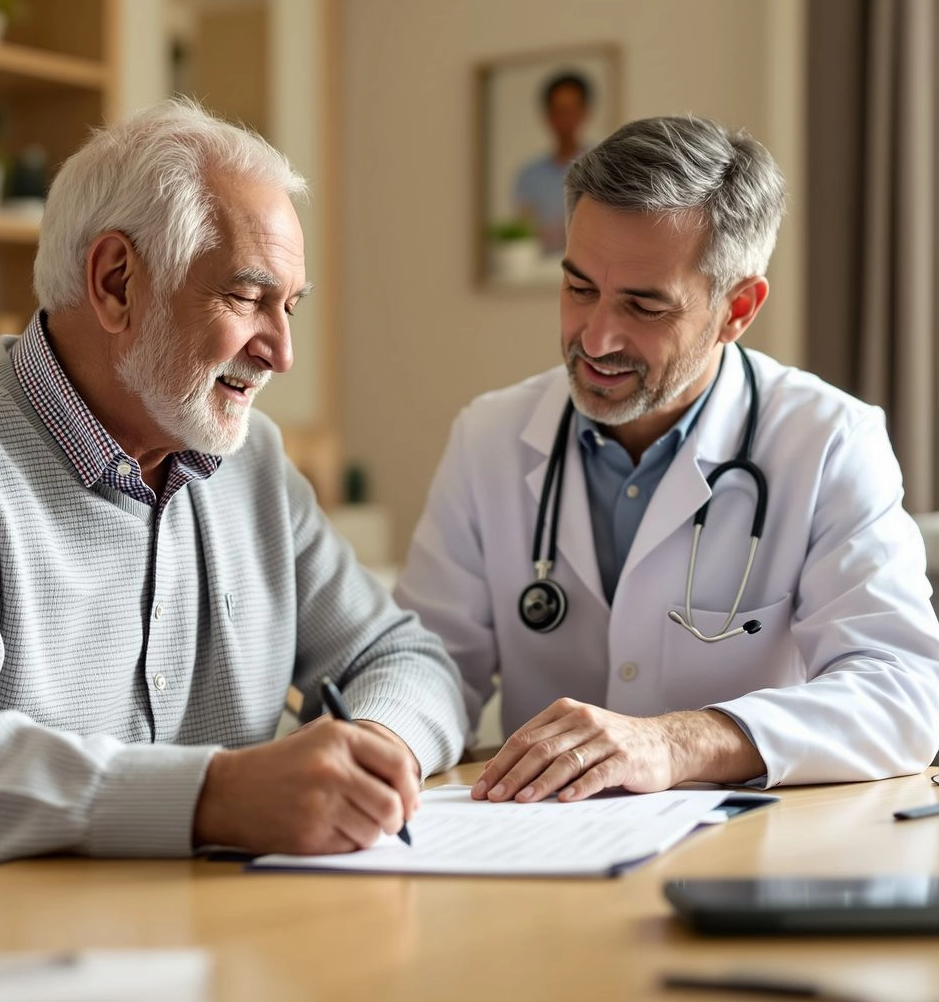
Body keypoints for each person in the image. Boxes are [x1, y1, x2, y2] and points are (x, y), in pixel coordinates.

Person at [0, 99, 466, 875]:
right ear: (116, 282)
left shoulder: (252, 459)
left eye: (290, 306)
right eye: (247, 298)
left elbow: (406, 657)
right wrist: (214, 794)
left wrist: (374, 750)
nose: (281, 353)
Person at [396, 114, 939, 806]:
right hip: (535, 840)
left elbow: (903, 691)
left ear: (737, 309)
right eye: (579, 288)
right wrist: (388, 739)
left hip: (749, 842)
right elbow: (432, 663)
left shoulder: (829, 442)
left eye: (645, 307)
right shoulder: (490, 437)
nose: (596, 339)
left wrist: (679, 742)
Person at [513, 71, 593, 255]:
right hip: (544, 268)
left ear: (585, 112)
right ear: (548, 115)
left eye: (571, 110)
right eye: (559, 111)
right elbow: (525, 233)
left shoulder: (603, 165)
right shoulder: (529, 175)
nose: (566, 119)